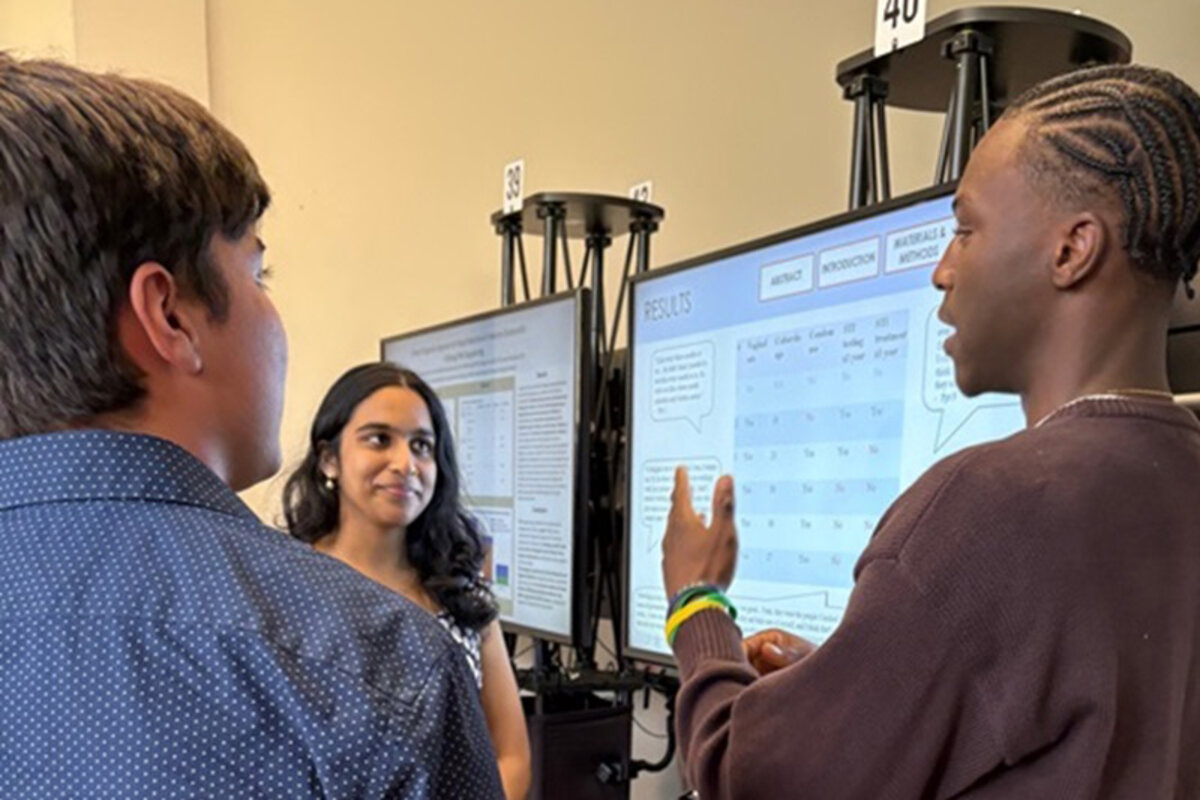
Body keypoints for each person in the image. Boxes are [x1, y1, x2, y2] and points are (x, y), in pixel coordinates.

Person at [660, 63, 1200, 799]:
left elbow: (749, 778)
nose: (942, 272)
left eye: (965, 230)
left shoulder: (989, 506)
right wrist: (866, 695)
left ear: (1072, 250)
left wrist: (698, 602)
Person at [0, 55, 502, 798]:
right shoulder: (375, 663)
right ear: (169, 316)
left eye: (422, 443)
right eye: (258, 273)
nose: (405, 463)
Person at [282, 362, 532, 800]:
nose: (405, 464)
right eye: (379, 439)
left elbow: (510, 756)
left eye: (421, 446)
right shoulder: (285, 586)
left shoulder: (461, 595)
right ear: (329, 458)